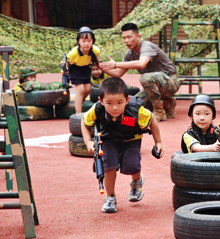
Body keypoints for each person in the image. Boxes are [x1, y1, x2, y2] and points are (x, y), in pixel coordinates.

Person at [81, 77, 163, 213]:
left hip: (131, 139)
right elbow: (84, 122)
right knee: (108, 166)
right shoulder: (97, 109)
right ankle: (110, 197)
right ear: (101, 101)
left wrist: (158, 142)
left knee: (131, 166)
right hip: (108, 139)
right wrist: (88, 142)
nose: (114, 107)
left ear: (127, 100)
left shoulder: (137, 111)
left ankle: (136, 181)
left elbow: (152, 120)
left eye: (120, 102)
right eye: (109, 103)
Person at [99, 22, 180, 122]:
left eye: (129, 37)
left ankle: (159, 111)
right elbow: (118, 74)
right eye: (124, 38)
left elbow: (141, 64)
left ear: (138, 36)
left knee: (146, 78)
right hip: (155, 86)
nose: (126, 41)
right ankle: (167, 102)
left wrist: (115, 64)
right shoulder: (130, 53)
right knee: (132, 105)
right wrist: (102, 67)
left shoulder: (146, 46)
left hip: (171, 82)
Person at [66, 26, 100, 114]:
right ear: (78, 42)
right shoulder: (74, 53)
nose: (86, 44)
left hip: (86, 68)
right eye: (83, 41)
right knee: (80, 89)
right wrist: (66, 70)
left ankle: (79, 102)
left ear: (93, 41)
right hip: (75, 69)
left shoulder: (95, 50)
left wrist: (99, 65)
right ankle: (78, 113)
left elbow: (96, 58)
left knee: (88, 89)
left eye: (89, 41)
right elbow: (67, 61)